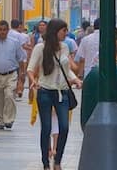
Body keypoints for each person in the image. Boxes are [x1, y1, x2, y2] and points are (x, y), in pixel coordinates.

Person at [27, 19, 80, 170]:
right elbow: (31, 69)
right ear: (55, 31)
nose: (66, 33)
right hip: (44, 91)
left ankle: (57, 160)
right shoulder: (40, 48)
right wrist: (33, 81)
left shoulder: (64, 47)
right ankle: (45, 163)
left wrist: (75, 80)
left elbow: (66, 68)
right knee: (46, 128)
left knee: (64, 127)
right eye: (64, 30)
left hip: (62, 92)